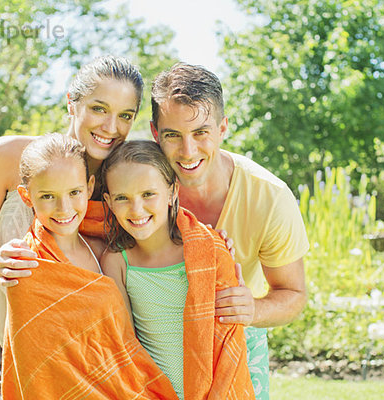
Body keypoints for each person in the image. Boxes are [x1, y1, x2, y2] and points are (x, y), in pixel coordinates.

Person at [0, 55, 144, 399]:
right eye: (99, 108)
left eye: (125, 115)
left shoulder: (123, 179)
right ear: (72, 103)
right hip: (4, 334)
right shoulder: (8, 155)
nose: (111, 126)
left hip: (82, 350)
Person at [150, 63, 310, 399]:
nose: (188, 151)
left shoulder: (269, 197)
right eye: (173, 135)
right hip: (154, 337)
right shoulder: (138, 186)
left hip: (236, 331)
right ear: (154, 133)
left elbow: (293, 295)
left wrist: (253, 309)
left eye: (200, 133)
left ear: (222, 127)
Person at [2, 133, 176, 399]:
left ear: (89, 186)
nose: (64, 208)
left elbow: (123, 340)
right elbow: (39, 366)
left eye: (74, 192)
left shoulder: (102, 248)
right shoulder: (27, 266)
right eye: (48, 196)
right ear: (27, 197)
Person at [100, 140, 255, 399]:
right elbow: (125, 343)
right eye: (122, 198)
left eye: (148, 194)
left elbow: (227, 335)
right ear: (109, 201)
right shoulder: (117, 261)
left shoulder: (207, 248)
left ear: (172, 192)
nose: (136, 209)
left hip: (214, 389)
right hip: (154, 392)